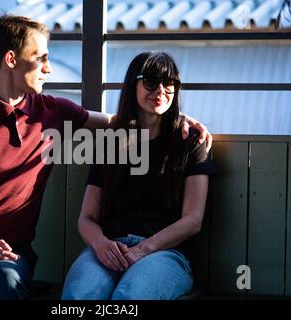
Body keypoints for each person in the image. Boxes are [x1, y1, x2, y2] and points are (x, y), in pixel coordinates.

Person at [0, 15, 211, 300]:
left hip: (10, 251)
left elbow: (120, 120)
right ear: (11, 59)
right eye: (42, 58)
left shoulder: (52, 110)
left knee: (4, 285)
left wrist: (180, 120)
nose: (49, 68)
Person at [61, 52, 218, 300]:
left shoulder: (191, 142)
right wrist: (101, 244)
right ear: (132, 85)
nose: (161, 90)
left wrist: (143, 249)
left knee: (129, 298)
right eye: (151, 82)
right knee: (78, 296)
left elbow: (193, 220)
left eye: (170, 84)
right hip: (110, 246)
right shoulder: (111, 142)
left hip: (165, 254)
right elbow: (87, 218)